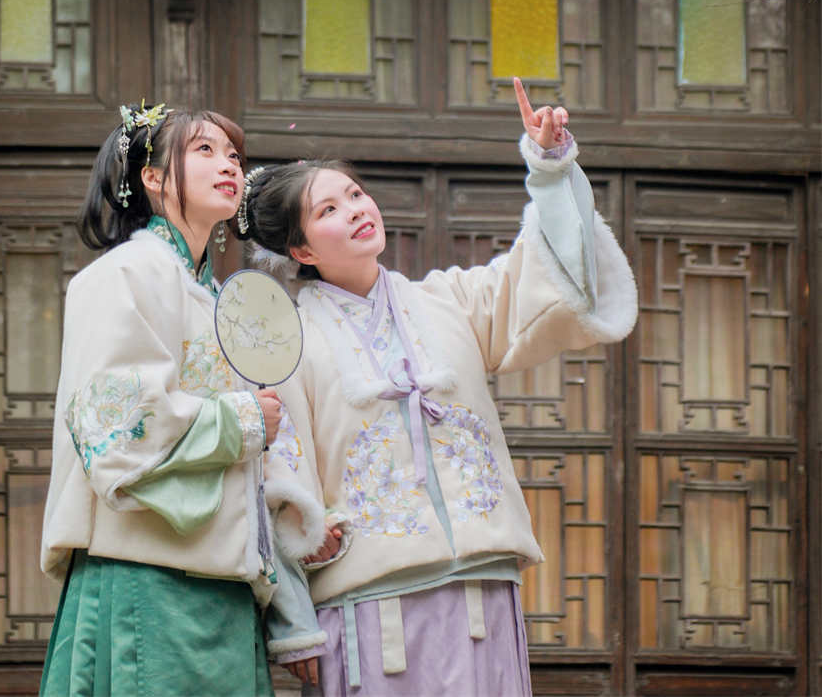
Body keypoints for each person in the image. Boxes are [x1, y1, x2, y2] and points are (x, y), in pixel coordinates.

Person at [241, 79, 638, 696]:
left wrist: (550, 170)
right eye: (329, 210)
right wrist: (295, 622)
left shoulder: (449, 300)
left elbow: (546, 277)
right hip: (370, 606)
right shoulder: (286, 344)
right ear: (301, 249)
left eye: (356, 194)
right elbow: (275, 483)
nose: (356, 210)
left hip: (482, 589)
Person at [39, 102, 329, 697]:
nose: (228, 165)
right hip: (146, 579)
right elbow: (113, 430)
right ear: (152, 177)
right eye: (204, 150)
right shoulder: (122, 275)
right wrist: (244, 419)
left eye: (233, 155)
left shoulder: (219, 296)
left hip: (225, 586)